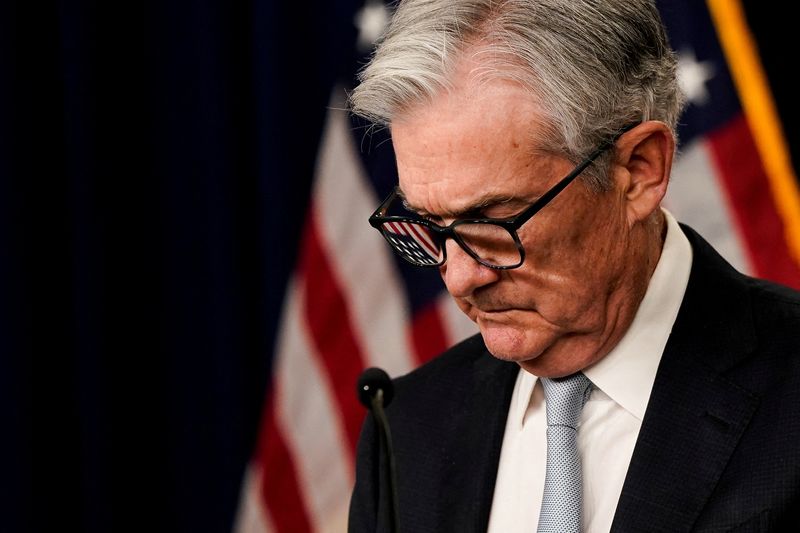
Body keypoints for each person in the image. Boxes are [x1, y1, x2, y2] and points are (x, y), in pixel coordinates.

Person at [347, 1, 800, 531]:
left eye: (494, 221)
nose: (460, 277)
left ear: (638, 170)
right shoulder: (405, 429)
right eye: (430, 225)